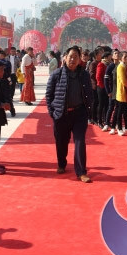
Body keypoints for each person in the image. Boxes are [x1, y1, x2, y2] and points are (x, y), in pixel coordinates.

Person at [45, 46, 95, 183]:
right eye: (71, 56)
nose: (73, 59)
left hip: (79, 114)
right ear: (65, 57)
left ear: (79, 60)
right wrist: (52, 112)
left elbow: (89, 93)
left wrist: (88, 109)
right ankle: (61, 163)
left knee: (80, 141)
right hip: (61, 114)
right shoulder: (56, 74)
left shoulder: (84, 75)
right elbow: (49, 95)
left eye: (76, 57)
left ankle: (81, 172)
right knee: (61, 141)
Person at [114, 51, 127, 136]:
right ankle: (119, 128)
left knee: (125, 111)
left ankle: (126, 127)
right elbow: (124, 81)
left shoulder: (125, 66)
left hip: (126, 92)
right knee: (120, 112)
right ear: (121, 58)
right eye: (125, 57)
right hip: (122, 92)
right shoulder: (120, 67)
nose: (126, 58)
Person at [104, 50, 119, 134]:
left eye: (118, 53)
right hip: (112, 90)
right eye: (115, 54)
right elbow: (106, 79)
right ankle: (106, 123)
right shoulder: (110, 66)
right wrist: (108, 91)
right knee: (111, 107)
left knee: (118, 108)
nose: (117, 55)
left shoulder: (120, 65)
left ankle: (116, 123)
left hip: (119, 90)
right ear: (112, 56)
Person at [96, 51, 111, 130]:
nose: (111, 57)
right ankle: (100, 121)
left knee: (107, 104)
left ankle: (106, 120)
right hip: (101, 87)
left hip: (107, 87)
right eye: (110, 56)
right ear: (106, 57)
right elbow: (98, 77)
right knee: (101, 104)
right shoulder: (101, 64)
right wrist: (102, 86)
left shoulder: (109, 64)